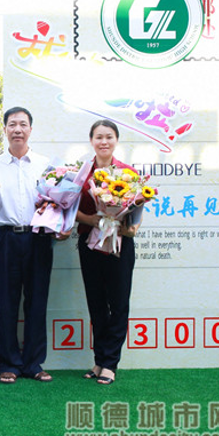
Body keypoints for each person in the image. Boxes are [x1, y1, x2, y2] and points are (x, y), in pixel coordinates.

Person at [0, 106, 62, 385]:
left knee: (37, 302)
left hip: (38, 238)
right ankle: (8, 363)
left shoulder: (45, 165)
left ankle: (33, 363)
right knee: (6, 303)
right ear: (5, 129)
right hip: (6, 238)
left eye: (23, 124)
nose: (17, 129)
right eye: (12, 124)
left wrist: (60, 229)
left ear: (30, 129)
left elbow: (57, 204)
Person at [74, 119, 140, 385]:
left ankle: (111, 363)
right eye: (99, 137)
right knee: (96, 303)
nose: (104, 142)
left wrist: (131, 228)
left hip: (119, 244)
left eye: (109, 137)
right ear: (91, 140)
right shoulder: (81, 173)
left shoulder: (128, 173)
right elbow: (69, 208)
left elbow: (137, 210)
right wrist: (90, 220)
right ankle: (99, 360)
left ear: (116, 140)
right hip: (89, 242)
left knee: (119, 303)